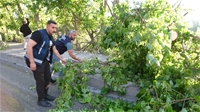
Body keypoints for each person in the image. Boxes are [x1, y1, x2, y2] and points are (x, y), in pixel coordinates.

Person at [24, 20, 66, 107]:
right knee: (40, 81)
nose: (54, 30)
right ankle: (40, 100)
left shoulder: (51, 37)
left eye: (56, 28)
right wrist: (32, 62)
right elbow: (29, 46)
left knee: (48, 78)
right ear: (47, 27)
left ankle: (45, 95)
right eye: (53, 27)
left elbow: (54, 49)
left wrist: (62, 59)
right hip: (34, 60)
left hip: (43, 60)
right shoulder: (39, 34)